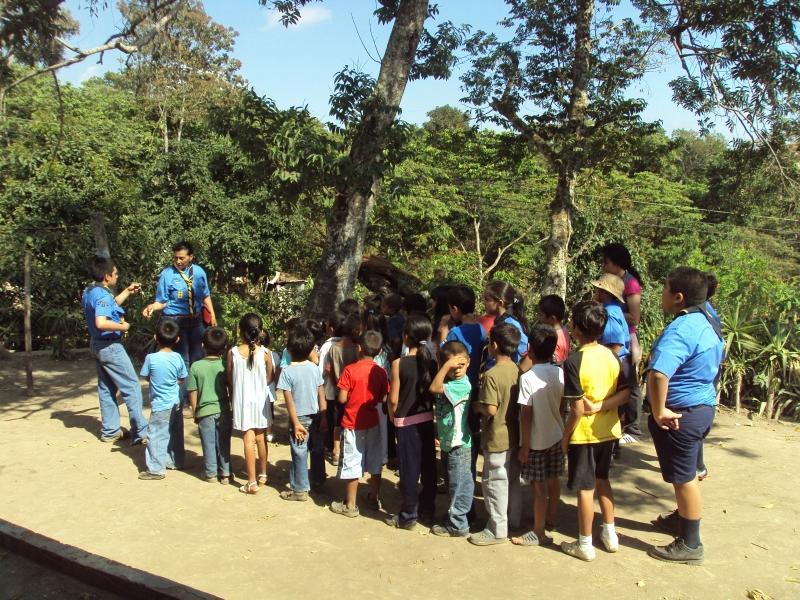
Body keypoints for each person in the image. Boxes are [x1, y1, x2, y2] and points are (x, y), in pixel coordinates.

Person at [647, 267, 724, 566]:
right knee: (686, 473)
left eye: (665, 288)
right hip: (701, 407)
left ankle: (691, 544)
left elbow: (658, 374)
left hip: (682, 414)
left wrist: (658, 410)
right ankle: (682, 518)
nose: (661, 293)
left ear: (678, 297)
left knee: (684, 479)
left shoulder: (682, 328)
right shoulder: (706, 320)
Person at [559, 301, 631, 561]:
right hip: (609, 431)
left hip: (584, 434)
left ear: (576, 329)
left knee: (585, 488)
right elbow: (626, 394)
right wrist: (602, 406)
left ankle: (585, 543)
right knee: (603, 480)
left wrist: (565, 438)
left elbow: (577, 409)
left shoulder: (574, 361)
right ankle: (611, 534)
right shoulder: (612, 356)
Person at [81, 256, 148, 445]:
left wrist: (127, 291)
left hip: (96, 344)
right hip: (109, 346)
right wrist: (123, 327)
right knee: (132, 387)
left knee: (106, 388)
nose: (117, 276)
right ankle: (141, 432)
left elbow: (109, 307)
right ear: (107, 276)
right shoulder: (102, 295)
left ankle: (111, 431)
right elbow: (101, 321)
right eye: (116, 273)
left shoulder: (91, 291)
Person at [469, 323, 522, 546]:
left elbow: (491, 409)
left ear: (495, 345)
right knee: (511, 480)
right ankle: (514, 519)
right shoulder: (517, 370)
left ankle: (497, 528)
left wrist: (477, 406)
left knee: (494, 482)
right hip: (514, 434)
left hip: (496, 435)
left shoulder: (491, 375)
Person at [142, 241, 217, 397]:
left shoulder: (199, 272)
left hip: (196, 321)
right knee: (184, 361)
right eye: (176, 258)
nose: (178, 261)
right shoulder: (167, 274)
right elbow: (161, 301)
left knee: (198, 359)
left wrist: (212, 314)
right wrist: (152, 307)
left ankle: (196, 395)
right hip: (176, 321)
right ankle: (183, 399)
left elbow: (205, 295)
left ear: (191, 257)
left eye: (182, 258)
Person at [512, 324, 565, 547]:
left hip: (535, 440)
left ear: (529, 348)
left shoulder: (528, 378)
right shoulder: (559, 372)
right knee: (553, 479)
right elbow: (562, 406)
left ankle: (539, 531)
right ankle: (551, 518)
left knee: (538, 486)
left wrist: (524, 446)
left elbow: (526, 415)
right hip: (555, 434)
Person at [385, 315, 438, 530]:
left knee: (409, 468)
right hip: (426, 418)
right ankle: (428, 508)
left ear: (406, 337)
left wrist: (391, 413)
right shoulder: (433, 362)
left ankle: (408, 515)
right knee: (428, 466)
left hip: (405, 421)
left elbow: (394, 398)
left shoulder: (399, 364)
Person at [330, 330, 389, 518]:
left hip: (352, 422)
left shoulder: (350, 370)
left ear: (359, 347)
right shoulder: (380, 372)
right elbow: (383, 397)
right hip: (373, 421)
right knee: (375, 461)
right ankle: (373, 497)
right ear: (380, 352)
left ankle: (350, 504)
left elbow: (341, 398)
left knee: (352, 461)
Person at [278, 323, 327, 501]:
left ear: (289, 350)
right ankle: (319, 481)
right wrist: (324, 416)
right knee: (317, 449)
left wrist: (296, 423)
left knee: (299, 451)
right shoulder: (314, 368)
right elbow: (321, 392)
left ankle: (299, 490)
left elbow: (289, 402)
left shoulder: (287, 372)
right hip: (315, 415)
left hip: (298, 417)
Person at [429, 341, 474, 537]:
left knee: (459, 485)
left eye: (460, 365)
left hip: (459, 445)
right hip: (449, 443)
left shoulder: (461, 385)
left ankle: (458, 525)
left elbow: (434, 388)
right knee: (455, 483)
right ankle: (457, 517)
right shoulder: (449, 382)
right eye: (452, 366)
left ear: (468, 363)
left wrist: (446, 366)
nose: (456, 370)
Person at [600, 243, 643, 441]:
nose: (603, 266)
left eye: (606, 262)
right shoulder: (609, 280)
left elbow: (634, 317)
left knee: (629, 382)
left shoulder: (631, 283)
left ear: (617, 263)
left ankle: (633, 427)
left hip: (627, 337)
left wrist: (608, 311)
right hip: (611, 334)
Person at [228, 313, 274, 494]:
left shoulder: (233, 353)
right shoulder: (266, 354)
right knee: (261, 438)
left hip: (243, 401)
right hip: (260, 402)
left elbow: (230, 378)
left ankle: (251, 482)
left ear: (240, 332)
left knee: (248, 439)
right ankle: (263, 474)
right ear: (260, 331)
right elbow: (270, 377)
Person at [138, 319, 187, 480]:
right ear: (177, 339)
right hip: (176, 401)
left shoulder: (151, 358)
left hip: (160, 404)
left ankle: (156, 468)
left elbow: (145, 376)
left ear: (155, 338)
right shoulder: (178, 358)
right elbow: (182, 377)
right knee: (175, 431)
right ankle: (175, 460)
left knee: (156, 434)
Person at [187, 327, 232, 483]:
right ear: (224, 347)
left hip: (205, 411)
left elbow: (193, 391)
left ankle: (211, 473)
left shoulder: (196, 366)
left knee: (208, 443)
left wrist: (195, 411)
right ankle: (225, 474)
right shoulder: (226, 365)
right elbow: (231, 387)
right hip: (224, 410)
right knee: (224, 442)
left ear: (202, 345)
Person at [326, 312, 361, 467]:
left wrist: (335, 385)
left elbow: (330, 370)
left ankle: (335, 451)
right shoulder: (356, 349)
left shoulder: (333, 348)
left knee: (337, 421)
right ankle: (350, 452)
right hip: (353, 392)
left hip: (337, 390)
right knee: (350, 422)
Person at [481, 280, 528, 367]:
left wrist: (518, 373)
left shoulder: (511, 323)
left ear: (500, 303)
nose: (484, 302)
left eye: (487, 299)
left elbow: (527, 350)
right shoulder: (499, 320)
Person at [538, 294, 571, 364]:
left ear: (552, 318)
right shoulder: (564, 331)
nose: (539, 318)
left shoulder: (552, 337)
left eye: (541, 315)